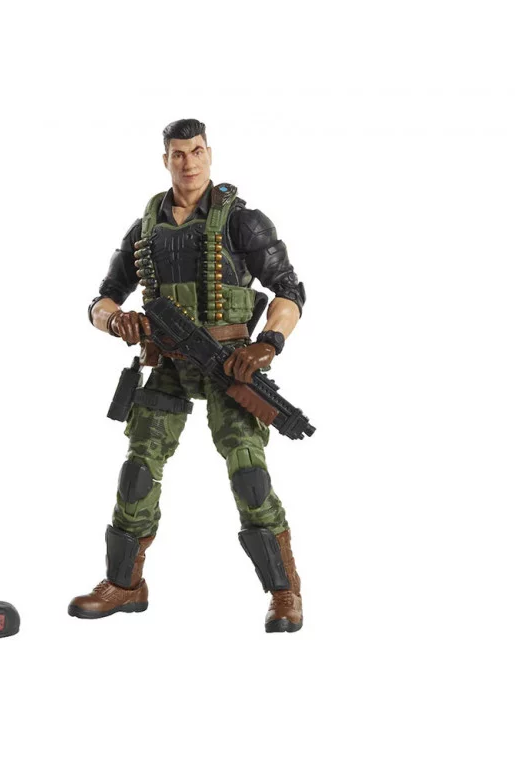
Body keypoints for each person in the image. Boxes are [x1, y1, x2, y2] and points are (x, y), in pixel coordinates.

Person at [68, 119, 307, 632]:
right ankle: (124, 585)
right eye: (178, 154)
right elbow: (101, 300)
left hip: (228, 364)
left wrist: (268, 343)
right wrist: (116, 320)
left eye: (196, 151)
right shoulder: (145, 228)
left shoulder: (244, 222)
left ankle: (284, 591)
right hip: (169, 363)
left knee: (249, 473)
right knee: (138, 470)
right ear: (166, 160)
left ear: (209, 154)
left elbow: (289, 290)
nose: (189, 162)